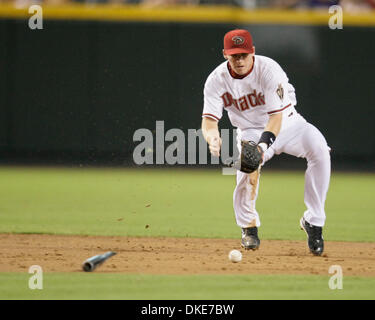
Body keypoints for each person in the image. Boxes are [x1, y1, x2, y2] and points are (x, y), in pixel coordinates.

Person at [201, 29, 331, 256]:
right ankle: (248, 227)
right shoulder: (216, 80)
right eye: (234, 55)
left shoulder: (269, 70)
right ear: (225, 54)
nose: (239, 60)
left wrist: (261, 147)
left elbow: (276, 118)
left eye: (243, 54)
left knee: (319, 149)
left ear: (252, 51)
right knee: (246, 171)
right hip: (250, 130)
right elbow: (209, 121)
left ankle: (314, 221)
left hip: (288, 123)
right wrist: (212, 137)